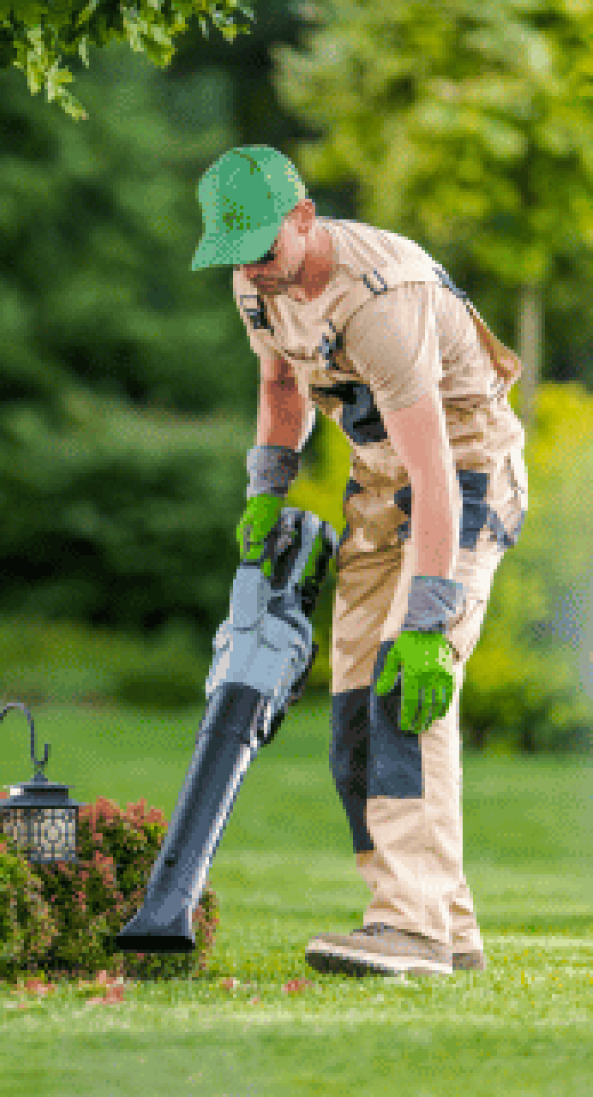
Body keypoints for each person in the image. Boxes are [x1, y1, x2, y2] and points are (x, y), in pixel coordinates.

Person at [191, 145, 530, 978]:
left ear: (303, 217)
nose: (254, 274)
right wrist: (266, 490)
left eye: (266, 252)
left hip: (462, 471)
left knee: (406, 685)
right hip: (377, 481)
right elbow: (280, 385)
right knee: (352, 709)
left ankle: (408, 924)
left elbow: (438, 473)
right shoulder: (255, 279)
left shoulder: (383, 297)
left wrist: (428, 618)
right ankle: (446, 926)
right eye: (237, 258)